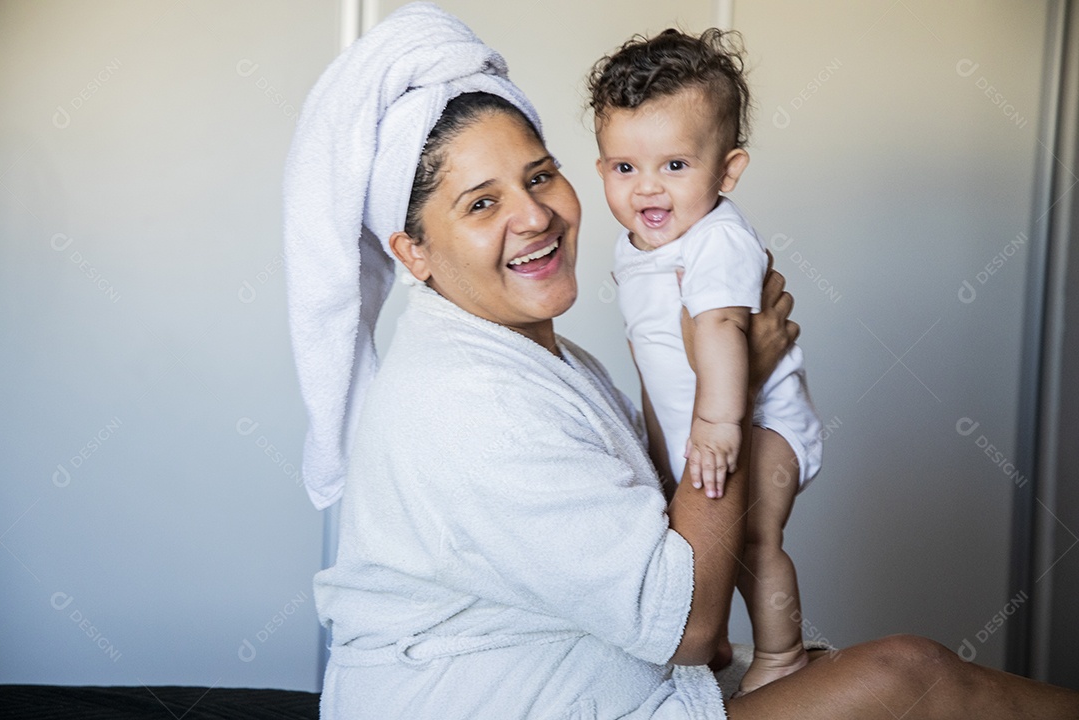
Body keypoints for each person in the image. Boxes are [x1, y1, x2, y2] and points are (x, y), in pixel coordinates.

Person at [285, 4, 1079, 718]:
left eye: (539, 176)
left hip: (595, 683)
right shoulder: (465, 399)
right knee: (912, 677)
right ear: (413, 253)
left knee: (900, 673)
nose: (534, 217)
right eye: (481, 203)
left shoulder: (535, 355)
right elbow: (693, 627)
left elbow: (664, 523)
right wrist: (738, 381)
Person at [589, 29, 822, 694]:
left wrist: (721, 427)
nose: (648, 190)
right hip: (706, 429)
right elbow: (651, 354)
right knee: (700, 549)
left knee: (751, 542)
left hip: (763, 428)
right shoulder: (635, 247)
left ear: (727, 170)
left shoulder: (716, 241)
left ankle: (782, 658)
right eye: (624, 167)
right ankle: (715, 639)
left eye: (675, 166)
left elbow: (721, 329)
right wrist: (664, 451)